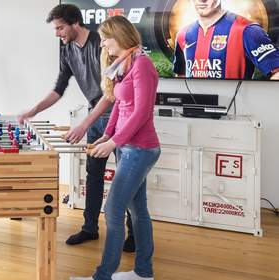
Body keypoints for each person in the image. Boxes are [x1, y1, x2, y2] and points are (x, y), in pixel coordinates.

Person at [17, 4, 135, 252]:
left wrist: (84, 124)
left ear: (74, 23)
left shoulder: (102, 43)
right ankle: (90, 228)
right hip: (94, 115)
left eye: (60, 28)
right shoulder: (67, 49)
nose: (57, 33)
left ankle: (133, 234)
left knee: (126, 176)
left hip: (119, 116)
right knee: (93, 174)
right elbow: (59, 88)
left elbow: (111, 94)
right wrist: (33, 110)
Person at [71, 16, 161, 280]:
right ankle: (143, 273)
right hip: (128, 148)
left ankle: (103, 275)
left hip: (140, 149)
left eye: (105, 39)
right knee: (138, 210)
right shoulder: (125, 66)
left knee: (112, 209)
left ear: (119, 36)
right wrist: (106, 135)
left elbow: (142, 113)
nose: (103, 45)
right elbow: (119, 106)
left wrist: (114, 141)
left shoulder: (142, 65)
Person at [173, 0, 279, 80]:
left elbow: (276, 71)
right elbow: (180, 76)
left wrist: (257, 102)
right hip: (193, 108)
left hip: (236, 108)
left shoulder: (247, 30)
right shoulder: (183, 34)